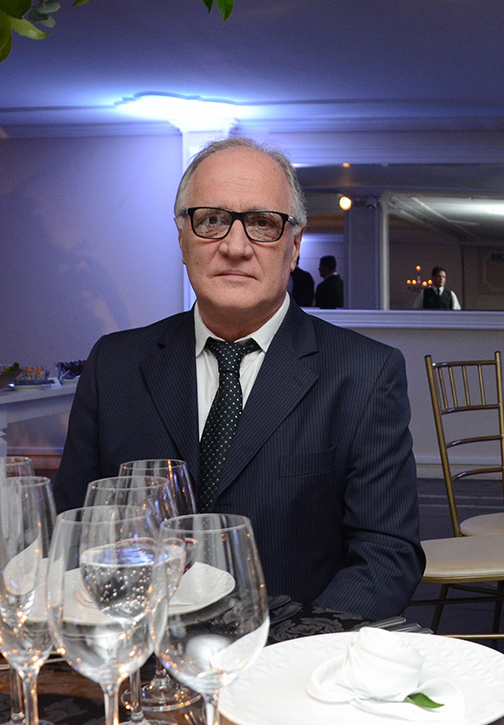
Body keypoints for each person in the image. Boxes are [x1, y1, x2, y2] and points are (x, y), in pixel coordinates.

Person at [54, 137, 423, 619]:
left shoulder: (365, 374)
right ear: (182, 240)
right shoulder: (114, 364)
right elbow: (71, 534)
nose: (234, 246)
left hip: (291, 653)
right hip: (138, 646)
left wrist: (286, 646)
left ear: (294, 246)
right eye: (211, 220)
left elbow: (386, 556)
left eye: (262, 223)